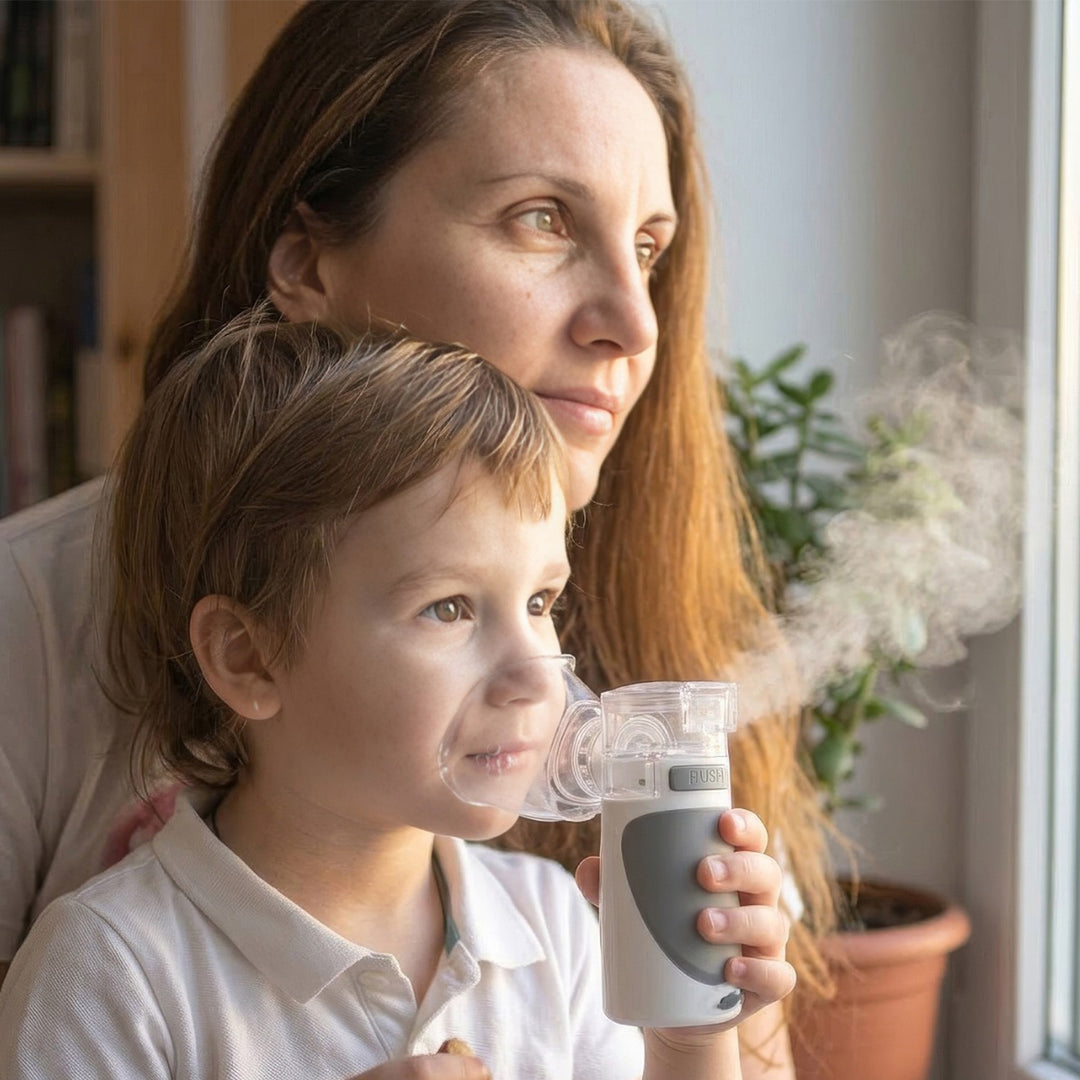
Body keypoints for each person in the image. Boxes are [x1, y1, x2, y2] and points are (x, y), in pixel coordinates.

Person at [0, 1, 835, 1071]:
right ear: (305, 262)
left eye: (648, 247)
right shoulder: (34, 630)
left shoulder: (566, 900)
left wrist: (712, 1019)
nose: (633, 325)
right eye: (541, 218)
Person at [0, 315, 795, 1079]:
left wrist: (688, 1043)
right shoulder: (110, 971)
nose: (533, 673)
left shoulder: (557, 929)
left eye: (541, 603)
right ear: (250, 657)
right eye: (448, 608)